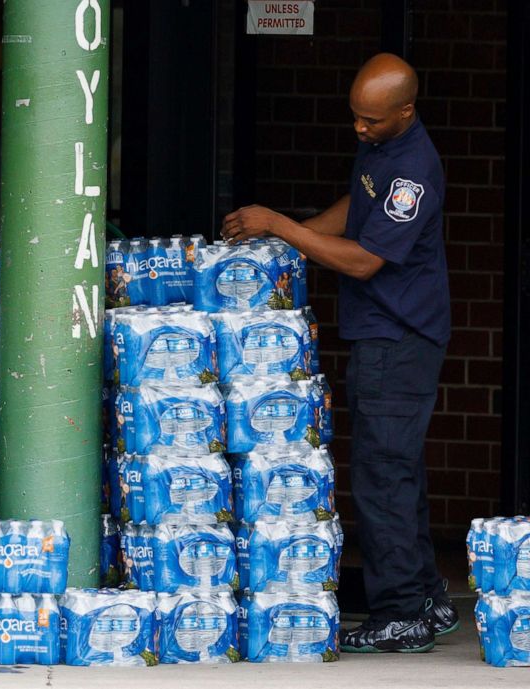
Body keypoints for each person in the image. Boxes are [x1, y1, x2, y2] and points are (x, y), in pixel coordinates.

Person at [220, 53, 457, 653]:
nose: (359, 130)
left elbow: (364, 258)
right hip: (382, 333)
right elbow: (355, 207)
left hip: (398, 339)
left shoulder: (413, 172)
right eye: (355, 118)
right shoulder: (383, 148)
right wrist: (293, 240)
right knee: (399, 472)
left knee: (382, 480)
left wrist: (279, 225)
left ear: (405, 110)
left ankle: (401, 613)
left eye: (370, 122)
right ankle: (428, 599)